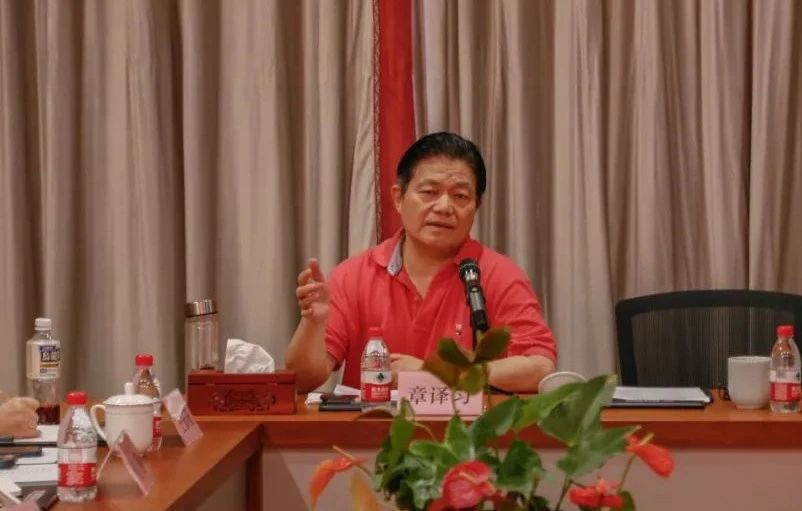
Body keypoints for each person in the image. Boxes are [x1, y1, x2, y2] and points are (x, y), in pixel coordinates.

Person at [286, 132, 556, 393]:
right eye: (429, 192)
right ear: (398, 198)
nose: (444, 206)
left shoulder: (499, 274)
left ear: (476, 206)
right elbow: (303, 381)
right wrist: (313, 323)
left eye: (460, 196)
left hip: (467, 426)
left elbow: (539, 367)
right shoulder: (353, 275)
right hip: (374, 425)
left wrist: (437, 374)